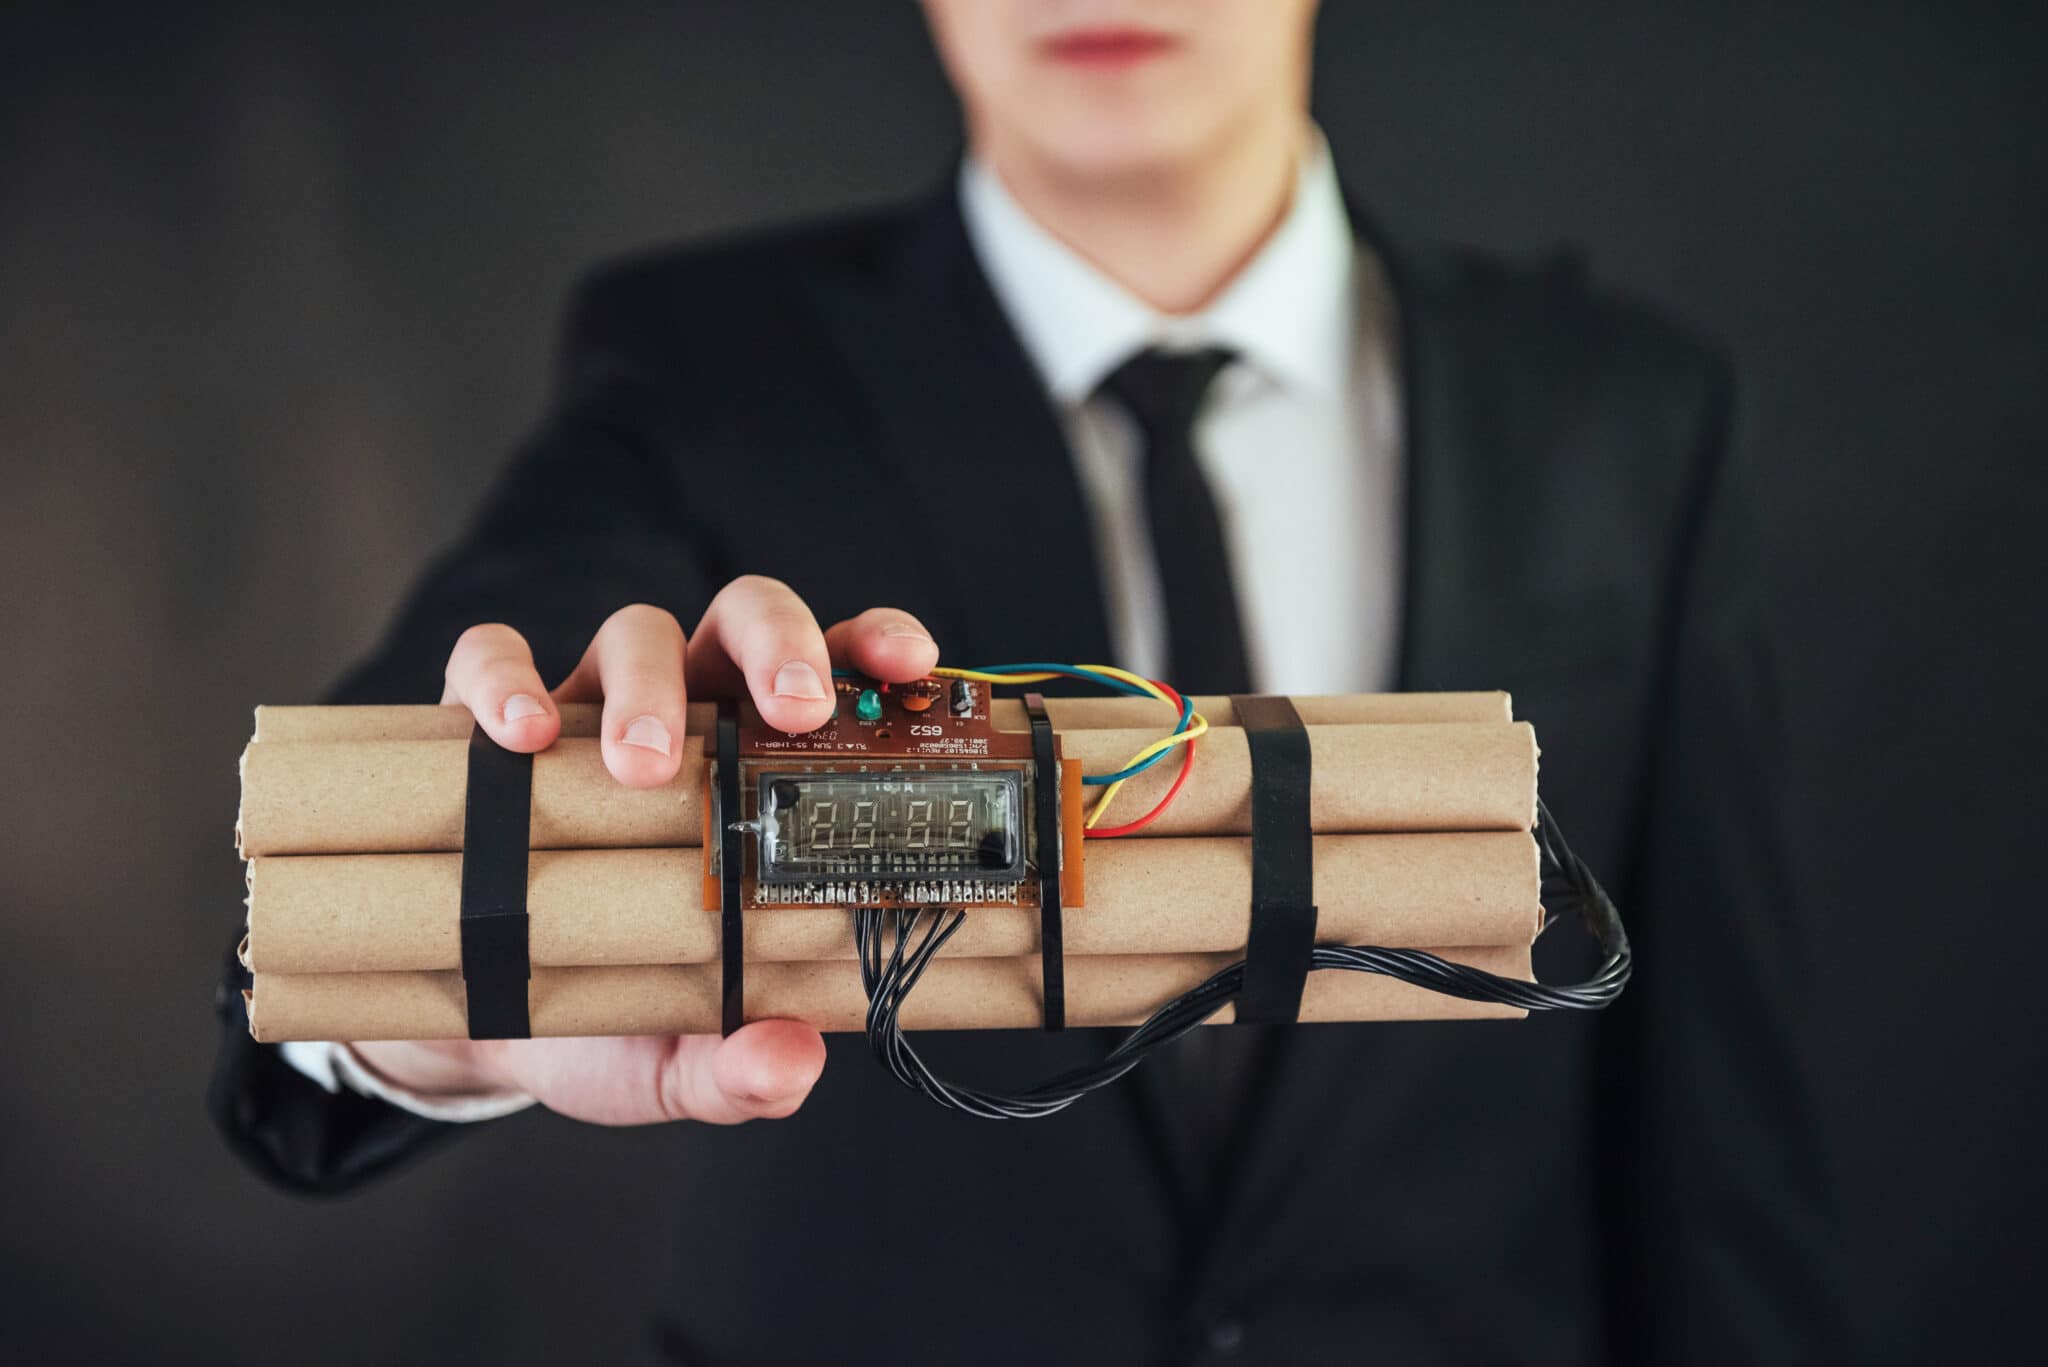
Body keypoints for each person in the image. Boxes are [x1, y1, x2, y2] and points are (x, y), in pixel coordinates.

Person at [210, 2, 1843, 1362]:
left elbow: (1721, 1147)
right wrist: (461, 996)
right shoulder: (702, 365)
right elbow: (418, 771)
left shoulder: (1628, 416)